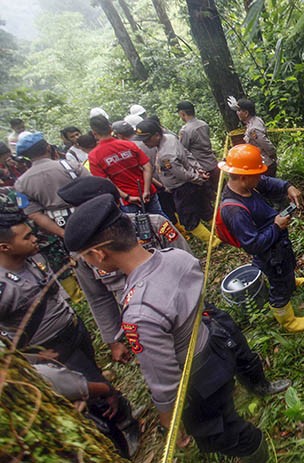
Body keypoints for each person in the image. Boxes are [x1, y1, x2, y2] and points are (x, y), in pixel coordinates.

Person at [63, 195, 289, 462]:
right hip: (216, 342)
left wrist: (169, 418)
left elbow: (164, 378)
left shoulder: (139, 313)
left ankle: (255, 450)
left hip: (198, 375)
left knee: (219, 430)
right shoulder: (176, 257)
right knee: (225, 410)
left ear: (99, 254)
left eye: (87, 257)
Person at [0, 194, 140, 456]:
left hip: (72, 328)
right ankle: (121, 427)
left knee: (93, 376)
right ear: (4, 247)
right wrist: (31, 356)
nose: (34, 239)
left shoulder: (32, 258)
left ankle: (122, 411)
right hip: (50, 348)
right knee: (89, 390)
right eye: (26, 237)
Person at [58, 176, 189, 363]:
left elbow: (188, 264)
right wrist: (113, 339)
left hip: (185, 307)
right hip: (147, 326)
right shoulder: (85, 253)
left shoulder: (155, 225)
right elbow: (98, 297)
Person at [217, 144, 304, 332]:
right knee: (278, 283)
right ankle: (288, 321)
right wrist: (276, 227)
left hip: (277, 243)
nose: (260, 177)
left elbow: (267, 183)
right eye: (256, 174)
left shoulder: (246, 185)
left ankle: (290, 281)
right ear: (244, 177)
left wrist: (288, 187)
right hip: (269, 251)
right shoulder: (234, 210)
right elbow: (253, 244)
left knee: (286, 267)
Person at [13, 132, 89, 302]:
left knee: (74, 263)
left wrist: (62, 233)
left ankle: (80, 298)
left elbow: (34, 214)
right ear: (47, 146)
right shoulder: (69, 165)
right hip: (87, 216)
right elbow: (94, 187)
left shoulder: (22, 183)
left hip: (57, 226)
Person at [134, 119, 217, 248]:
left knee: (188, 219)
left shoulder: (166, 154)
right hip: (189, 183)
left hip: (182, 188)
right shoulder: (170, 138)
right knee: (204, 208)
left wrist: (197, 177)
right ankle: (220, 232)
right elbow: (187, 154)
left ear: (156, 135)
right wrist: (198, 169)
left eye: (147, 139)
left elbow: (181, 173)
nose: (145, 143)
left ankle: (213, 241)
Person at [87, 115, 164, 217]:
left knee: (138, 228)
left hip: (128, 200)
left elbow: (106, 183)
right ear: (110, 129)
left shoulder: (94, 156)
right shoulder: (128, 145)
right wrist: (146, 191)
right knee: (161, 221)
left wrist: (127, 197)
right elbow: (147, 167)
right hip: (148, 192)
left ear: (94, 133)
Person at [177, 101, 220, 194]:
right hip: (212, 162)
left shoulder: (185, 130)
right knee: (220, 190)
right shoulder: (203, 124)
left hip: (201, 168)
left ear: (182, 113)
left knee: (207, 197)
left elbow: (183, 150)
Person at [228, 97, 277, 177]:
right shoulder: (256, 120)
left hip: (265, 163)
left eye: (239, 111)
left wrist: (273, 155)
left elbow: (265, 144)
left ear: (246, 113)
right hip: (262, 162)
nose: (237, 113)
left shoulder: (253, 129)